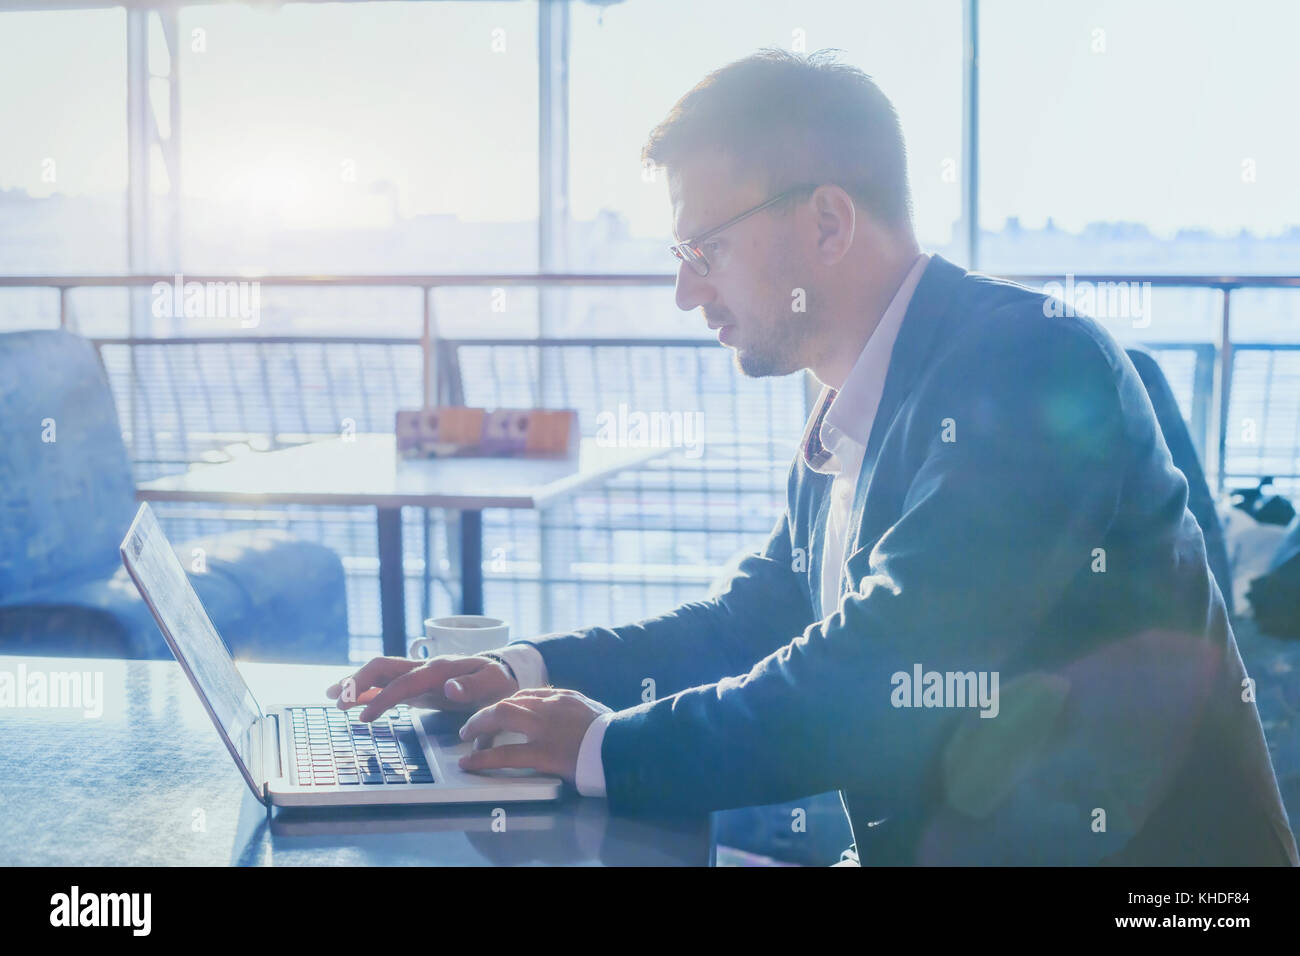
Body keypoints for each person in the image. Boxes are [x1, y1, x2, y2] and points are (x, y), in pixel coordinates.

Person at [328, 49, 1297, 865]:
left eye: (703, 248)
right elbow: (752, 618)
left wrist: (604, 746)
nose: (683, 291)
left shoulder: (1031, 365)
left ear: (828, 221)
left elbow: (880, 672)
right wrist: (520, 667)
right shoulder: (856, 400)